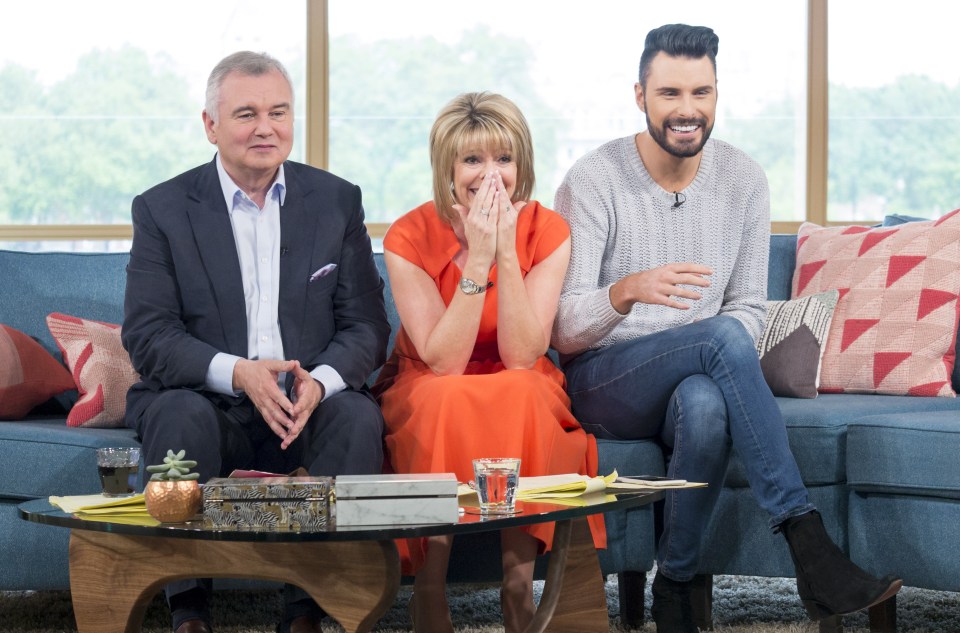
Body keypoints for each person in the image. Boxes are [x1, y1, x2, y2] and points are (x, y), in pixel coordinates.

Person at [552, 24, 902, 633]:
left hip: (699, 373)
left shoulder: (743, 181)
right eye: (669, 94)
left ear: (717, 94)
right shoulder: (594, 179)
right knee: (717, 341)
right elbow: (564, 328)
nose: (687, 111)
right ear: (640, 95)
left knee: (708, 402)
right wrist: (626, 291)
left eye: (701, 93)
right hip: (605, 380)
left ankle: (677, 588)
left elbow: (747, 307)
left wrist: (699, 344)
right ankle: (807, 542)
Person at [122, 51, 389, 633]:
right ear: (211, 125)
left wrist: (319, 383)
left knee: (357, 420)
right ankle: (188, 609)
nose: (265, 127)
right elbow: (149, 335)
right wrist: (239, 372)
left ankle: (308, 611)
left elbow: (367, 327)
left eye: (278, 112)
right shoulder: (163, 209)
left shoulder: (337, 200)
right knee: (177, 414)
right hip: (210, 405)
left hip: (305, 407)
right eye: (246, 113)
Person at [371, 91, 604, 633]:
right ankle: (429, 592)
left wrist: (504, 249)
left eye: (503, 158)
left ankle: (517, 587)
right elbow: (444, 361)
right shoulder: (407, 237)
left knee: (522, 390)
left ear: (521, 164)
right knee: (445, 396)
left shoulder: (548, 230)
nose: (490, 175)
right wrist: (477, 254)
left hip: (514, 372)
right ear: (447, 168)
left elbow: (524, 353)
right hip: (431, 374)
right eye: (473, 160)